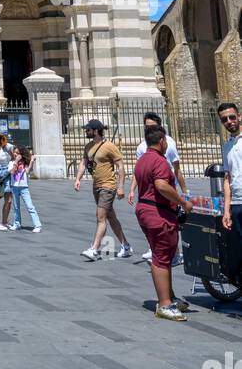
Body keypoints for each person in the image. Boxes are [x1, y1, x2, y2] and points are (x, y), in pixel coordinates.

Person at [132, 125, 193, 320]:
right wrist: (182, 202)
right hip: (158, 213)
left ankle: (169, 296)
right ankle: (165, 304)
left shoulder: (142, 160)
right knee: (161, 256)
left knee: (162, 254)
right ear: (161, 141)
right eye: (166, 140)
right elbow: (161, 185)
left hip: (144, 210)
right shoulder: (159, 161)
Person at [127, 111, 186, 262]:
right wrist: (132, 189)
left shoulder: (169, 144)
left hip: (168, 187)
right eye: (146, 127)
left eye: (152, 126)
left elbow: (177, 169)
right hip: (150, 192)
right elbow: (138, 170)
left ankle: (174, 252)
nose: (149, 129)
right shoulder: (142, 147)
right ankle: (158, 251)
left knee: (169, 221)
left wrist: (184, 191)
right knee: (159, 221)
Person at [74, 119, 132, 260]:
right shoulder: (88, 146)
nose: (86, 132)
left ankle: (94, 249)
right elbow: (83, 163)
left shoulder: (109, 146)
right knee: (110, 217)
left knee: (100, 217)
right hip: (97, 186)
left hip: (108, 186)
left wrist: (121, 187)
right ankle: (126, 245)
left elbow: (120, 167)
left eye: (88, 130)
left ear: (96, 131)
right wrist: (77, 179)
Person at [218, 101, 242, 250]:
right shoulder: (227, 146)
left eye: (232, 117)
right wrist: (226, 210)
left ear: (239, 116)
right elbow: (227, 179)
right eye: (224, 119)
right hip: (237, 204)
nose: (229, 122)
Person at [8, 145, 42, 232]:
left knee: (30, 206)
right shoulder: (11, 162)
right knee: (16, 207)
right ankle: (17, 223)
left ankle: (37, 225)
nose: (15, 154)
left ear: (21, 154)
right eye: (14, 153)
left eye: (17, 153)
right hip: (14, 186)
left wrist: (31, 161)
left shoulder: (25, 163)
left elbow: (27, 171)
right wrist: (15, 161)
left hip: (24, 187)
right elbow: (12, 172)